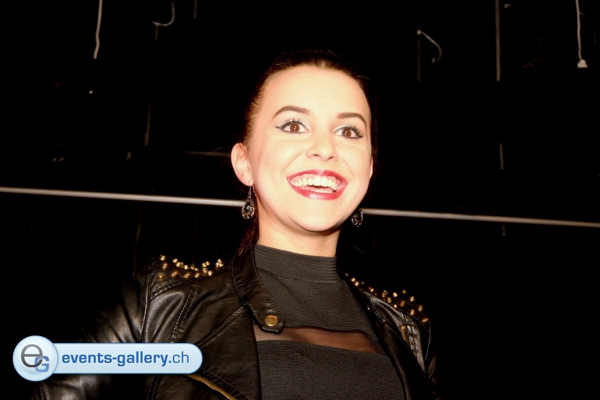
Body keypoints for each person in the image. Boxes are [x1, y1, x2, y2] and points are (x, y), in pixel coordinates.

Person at [32, 49, 442, 399]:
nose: (324, 148)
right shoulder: (161, 303)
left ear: (368, 169)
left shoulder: (408, 329)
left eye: (349, 131)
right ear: (244, 162)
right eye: (294, 125)